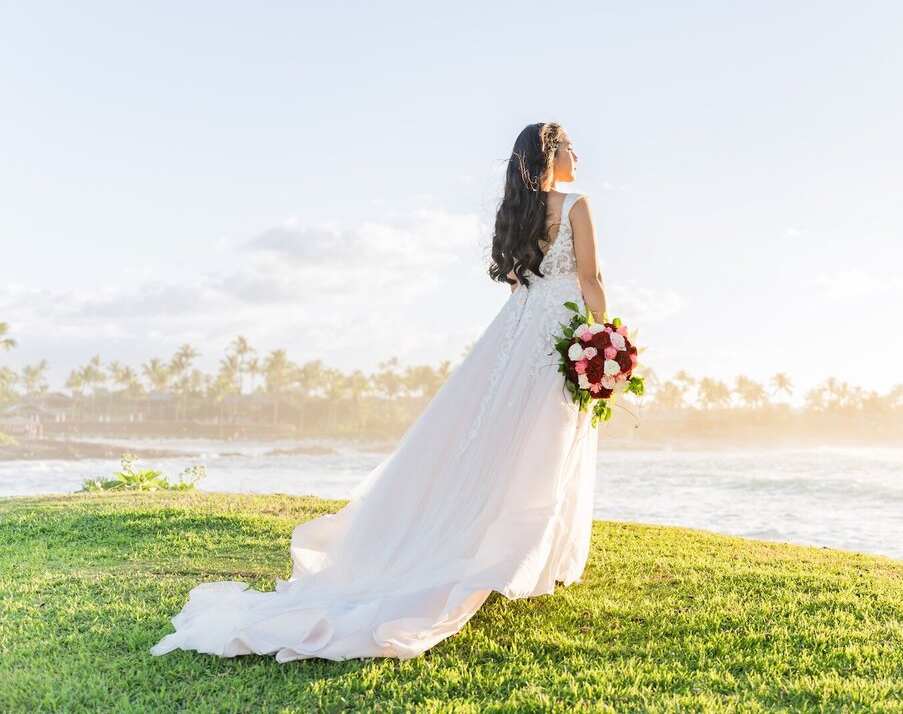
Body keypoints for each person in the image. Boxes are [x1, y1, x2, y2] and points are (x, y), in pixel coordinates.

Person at [150, 122, 606, 662]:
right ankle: (530, 562)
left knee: (505, 441)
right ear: (553, 154)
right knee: (549, 441)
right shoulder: (576, 203)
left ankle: (517, 554)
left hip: (517, 332)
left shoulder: (520, 213)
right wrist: (607, 337)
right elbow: (591, 277)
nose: (579, 151)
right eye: (571, 143)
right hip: (560, 331)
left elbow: (517, 283)